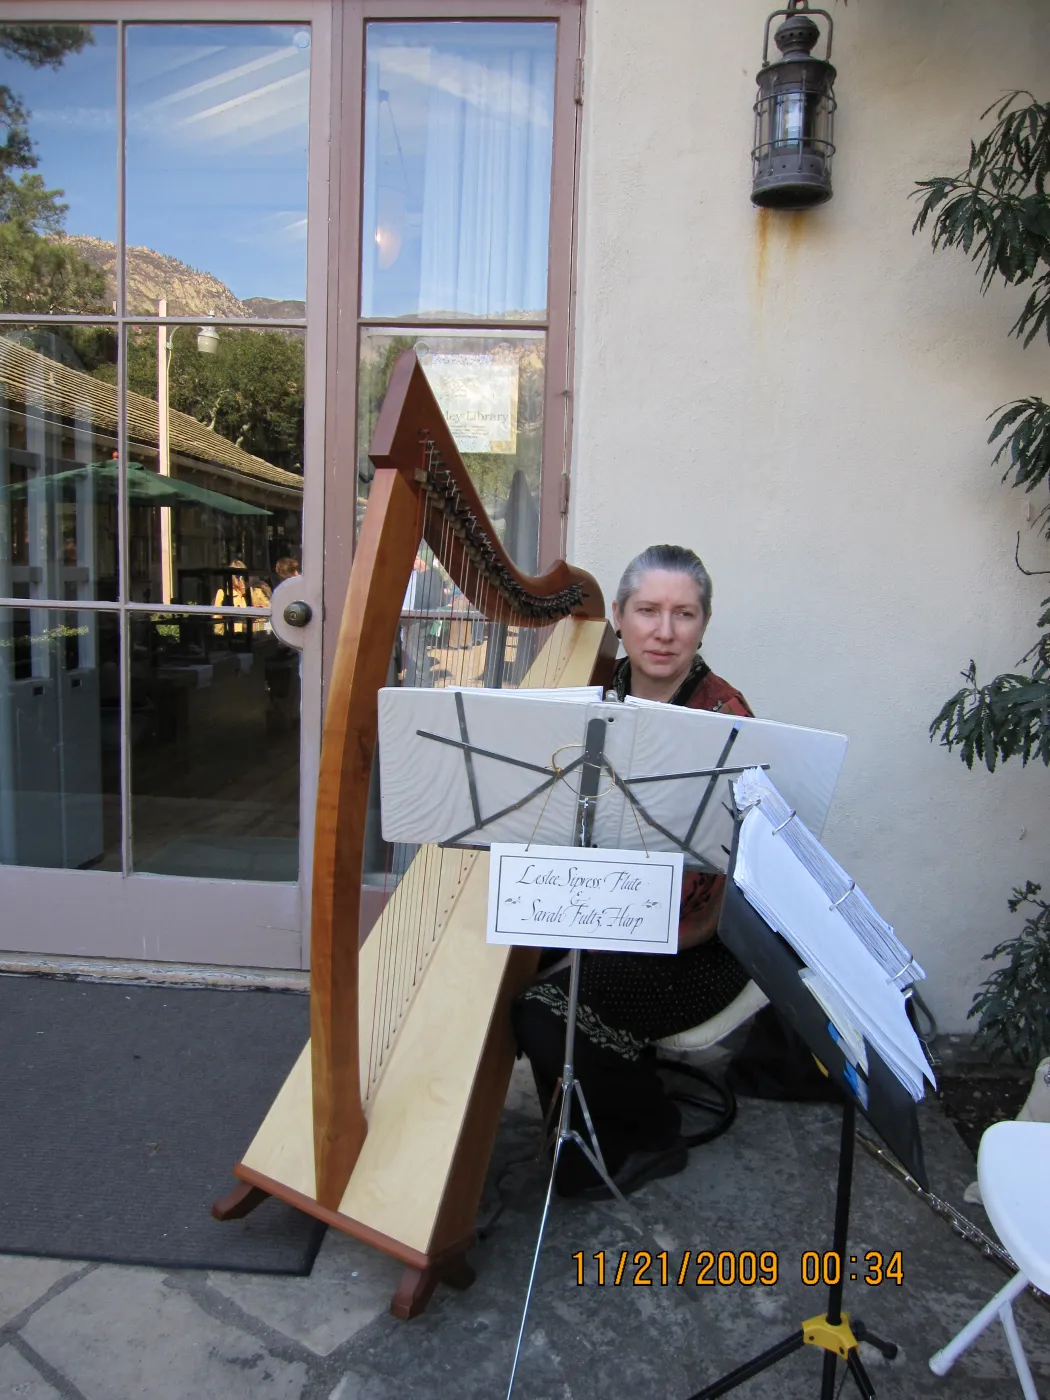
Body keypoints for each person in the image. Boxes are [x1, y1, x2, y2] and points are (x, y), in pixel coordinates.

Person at [511, 544, 753, 1199]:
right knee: (504, 953)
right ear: (617, 615)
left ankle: (649, 1133)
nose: (664, 631)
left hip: (698, 941)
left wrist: (590, 934)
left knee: (542, 1007)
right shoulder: (594, 693)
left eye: (684, 613)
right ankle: (581, 1112)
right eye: (647, 610)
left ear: (704, 624)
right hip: (607, 911)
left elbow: (712, 896)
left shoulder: (724, 720)